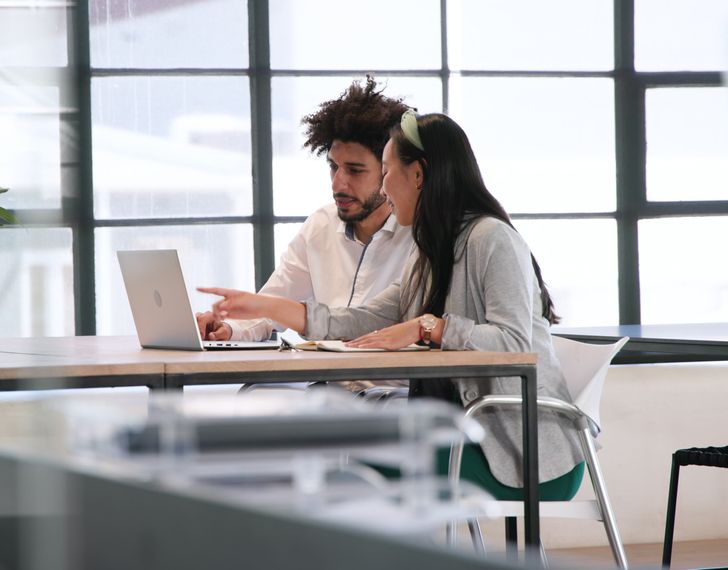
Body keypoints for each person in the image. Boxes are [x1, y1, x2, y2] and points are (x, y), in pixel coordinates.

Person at [198, 111, 583, 492]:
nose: (383, 188)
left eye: (385, 172)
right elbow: (364, 318)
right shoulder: (431, 250)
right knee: (339, 451)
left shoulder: (492, 239)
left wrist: (428, 326)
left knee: (357, 461)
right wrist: (263, 306)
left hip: (519, 450)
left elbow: (515, 345)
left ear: (418, 174)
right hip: (469, 430)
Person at [195, 77, 415, 349]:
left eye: (355, 171)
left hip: (389, 386)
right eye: (333, 167)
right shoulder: (321, 225)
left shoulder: (419, 234)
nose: (338, 184)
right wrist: (227, 328)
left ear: (387, 169)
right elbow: (272, 305)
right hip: (327, 382)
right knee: (256, 392)